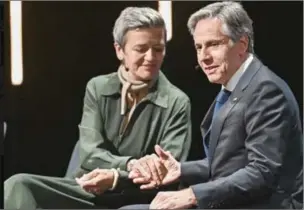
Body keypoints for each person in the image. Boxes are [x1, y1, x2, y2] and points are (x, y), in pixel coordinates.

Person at [4, 6, 192, 209]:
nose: (151, 57)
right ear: (120, 50)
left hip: (133, 194)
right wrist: (130, 163)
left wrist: (115, 177)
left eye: (158, 49)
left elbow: (166, 170)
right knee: (19, 184)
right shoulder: (98, 87)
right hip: (87, 189)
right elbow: (90, 152)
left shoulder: (177, 101)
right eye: (141, 49)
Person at [120, 1, 303, 209]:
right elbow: (232, 163)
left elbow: (262, 172)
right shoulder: (238, 83)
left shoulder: (266, 91)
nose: (204, 57)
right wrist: (181, 169)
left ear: (241, 45)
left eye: (213, 44)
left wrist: (193, 194)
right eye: (199, 47)